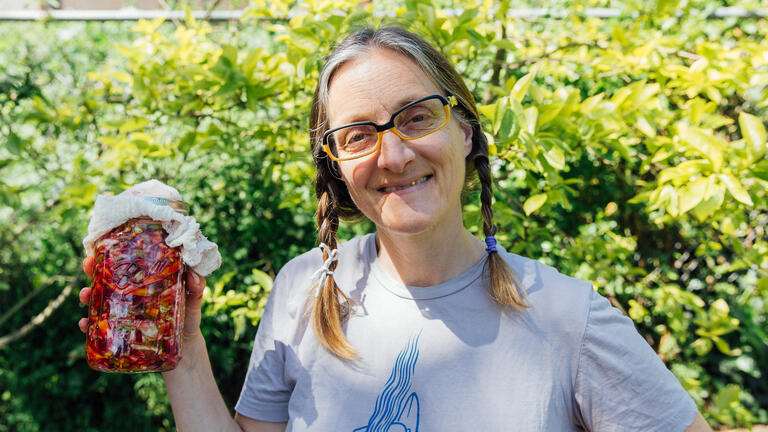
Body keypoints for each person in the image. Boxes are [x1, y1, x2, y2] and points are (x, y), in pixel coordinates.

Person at [79, 26, 713, 431]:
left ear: (464, 131)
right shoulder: (303, 289)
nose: (394, 156)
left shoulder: (567, 318)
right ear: (337, 167)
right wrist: (183, 352)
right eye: (358, 135)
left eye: (415, 117)